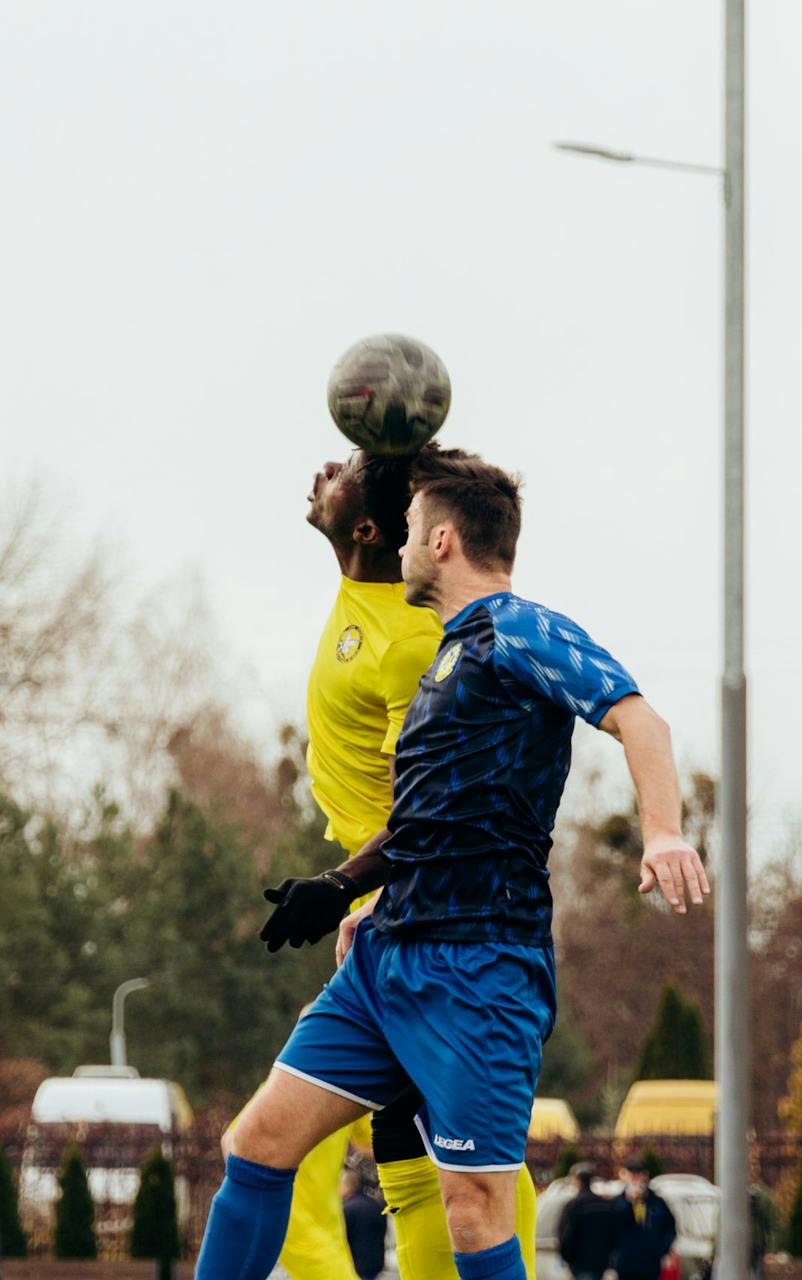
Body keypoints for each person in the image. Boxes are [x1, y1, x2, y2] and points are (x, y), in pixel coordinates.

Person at [199, 449, 709, 1280]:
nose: (397, 547)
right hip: (385, 959)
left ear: (440, 542)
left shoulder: (520, 628)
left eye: (407, 532)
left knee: (473, 1210)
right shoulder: (445, 656)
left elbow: (640, 720)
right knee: (255, 1147)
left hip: (480, 969)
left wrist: (663, 831)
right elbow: (422, 822)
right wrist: (337, 890)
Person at [271, 447, 538, 1279]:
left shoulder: (411, 640)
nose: (325, 465)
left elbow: (427, 807)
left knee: (452, 1165)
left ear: (367, 526)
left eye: (346, 466)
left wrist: (354, 892)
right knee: (399, 1142)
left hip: (430, 911)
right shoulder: (372, 591)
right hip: (390, 905)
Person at [610, 1160, 679, 1280]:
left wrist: (661, 1249)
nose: (635, 1179)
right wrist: (629, 1201)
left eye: (639, 1174)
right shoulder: (617, 1203)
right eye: (631, 1175)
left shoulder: (657, 1202)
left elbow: (670, 1228)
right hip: (626, 1262)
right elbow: (612, 1228)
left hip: (650, 1263)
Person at [558, 1163, 619, 1280]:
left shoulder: (574, 1205)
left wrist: (567, 1258)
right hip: (601, 1263)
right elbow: (614, 1233)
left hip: (580, 1264)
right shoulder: (605, 1204)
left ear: (577, 1181)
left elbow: (566, 1235)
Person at [341, 1166, 387, 1280]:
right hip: (376, 1263)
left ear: (348, 1185)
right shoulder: (375, 1205)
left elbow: (340, 1237)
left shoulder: (347, 1209)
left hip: (355, 1266)